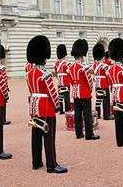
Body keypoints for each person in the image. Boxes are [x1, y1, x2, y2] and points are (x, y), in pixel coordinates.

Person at [26, 35, 68, 173]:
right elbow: (51, 92)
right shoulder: (45, 73)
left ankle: (36, 162)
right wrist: (57, 105)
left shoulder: (30, 73)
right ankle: (52, 164)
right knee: (48, 136)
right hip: (45, 107)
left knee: (36, 134)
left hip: (34, 106)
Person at [67, 39, 99, 140]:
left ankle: (78, 133)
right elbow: (89, 81)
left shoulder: (70, 68)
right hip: (84, 92)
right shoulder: (83, 68)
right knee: (87, 114)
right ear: (82, 55)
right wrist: (89, 90)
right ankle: (89, 134)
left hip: (75, 92)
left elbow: (71, 81)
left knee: (77, 113)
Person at [92, 43, 112, 121]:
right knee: (106, 100)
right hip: (104, 83)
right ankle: (106, 115)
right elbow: (108, 75)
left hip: (97, 84)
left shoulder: (94, 65)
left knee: (98, 99)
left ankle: (98, 114)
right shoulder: (104, 65)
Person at [54, 44, 71, 114]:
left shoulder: (56, 64)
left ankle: (61, 110)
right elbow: (69, 72)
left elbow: (56, 73)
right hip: (66, 81)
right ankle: (67, 109)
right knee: (66, 96)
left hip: (59, 81)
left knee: (60, 96)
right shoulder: (66, 63)